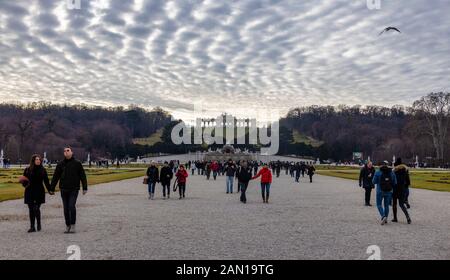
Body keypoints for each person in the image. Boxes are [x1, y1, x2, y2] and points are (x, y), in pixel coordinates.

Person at [50, 146, 88, 234]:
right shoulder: (60, 164)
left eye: (68, 150)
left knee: (71, 206)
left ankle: (73, 225)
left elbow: (83, 176)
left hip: (74, 189)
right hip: (63, 189)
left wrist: (85, 187)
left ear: (71, 152)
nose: (66, 152)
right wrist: (51, 188)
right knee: (66, 208)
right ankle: (68, 225)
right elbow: (56, 177)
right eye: (65, 151)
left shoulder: (77, 163)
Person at [22, 154, 54, 232]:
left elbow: (46, 181)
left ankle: (38, 223)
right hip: (29, 191)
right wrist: (23, 182)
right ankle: (32, 226)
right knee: (31, 209)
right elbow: (24, 181)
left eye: (39, 159)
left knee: (36, 208)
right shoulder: (27, 169)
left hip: (39, 191)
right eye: (36, 159)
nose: (38, 161)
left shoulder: (43, 170)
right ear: (33, 161)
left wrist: (50, 190)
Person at [372, 161, 397, 225]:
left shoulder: (378, 172)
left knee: (379, 204)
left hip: (380, 191)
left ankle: (383, 216)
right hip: (389, 191)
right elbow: (395, 182)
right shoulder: (391, 172)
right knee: (386, 205)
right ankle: (386, 219)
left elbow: (373, 182)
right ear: (387, 165)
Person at [393, 158, 412, 224]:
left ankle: (395, 218)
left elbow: (393, 181)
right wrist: (405, 187)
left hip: (395, 189)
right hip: (402, 189)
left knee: (394, 204)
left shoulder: (394, 171)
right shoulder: (405, 171)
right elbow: (408, 182)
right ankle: (408, 217)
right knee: (401, 204)